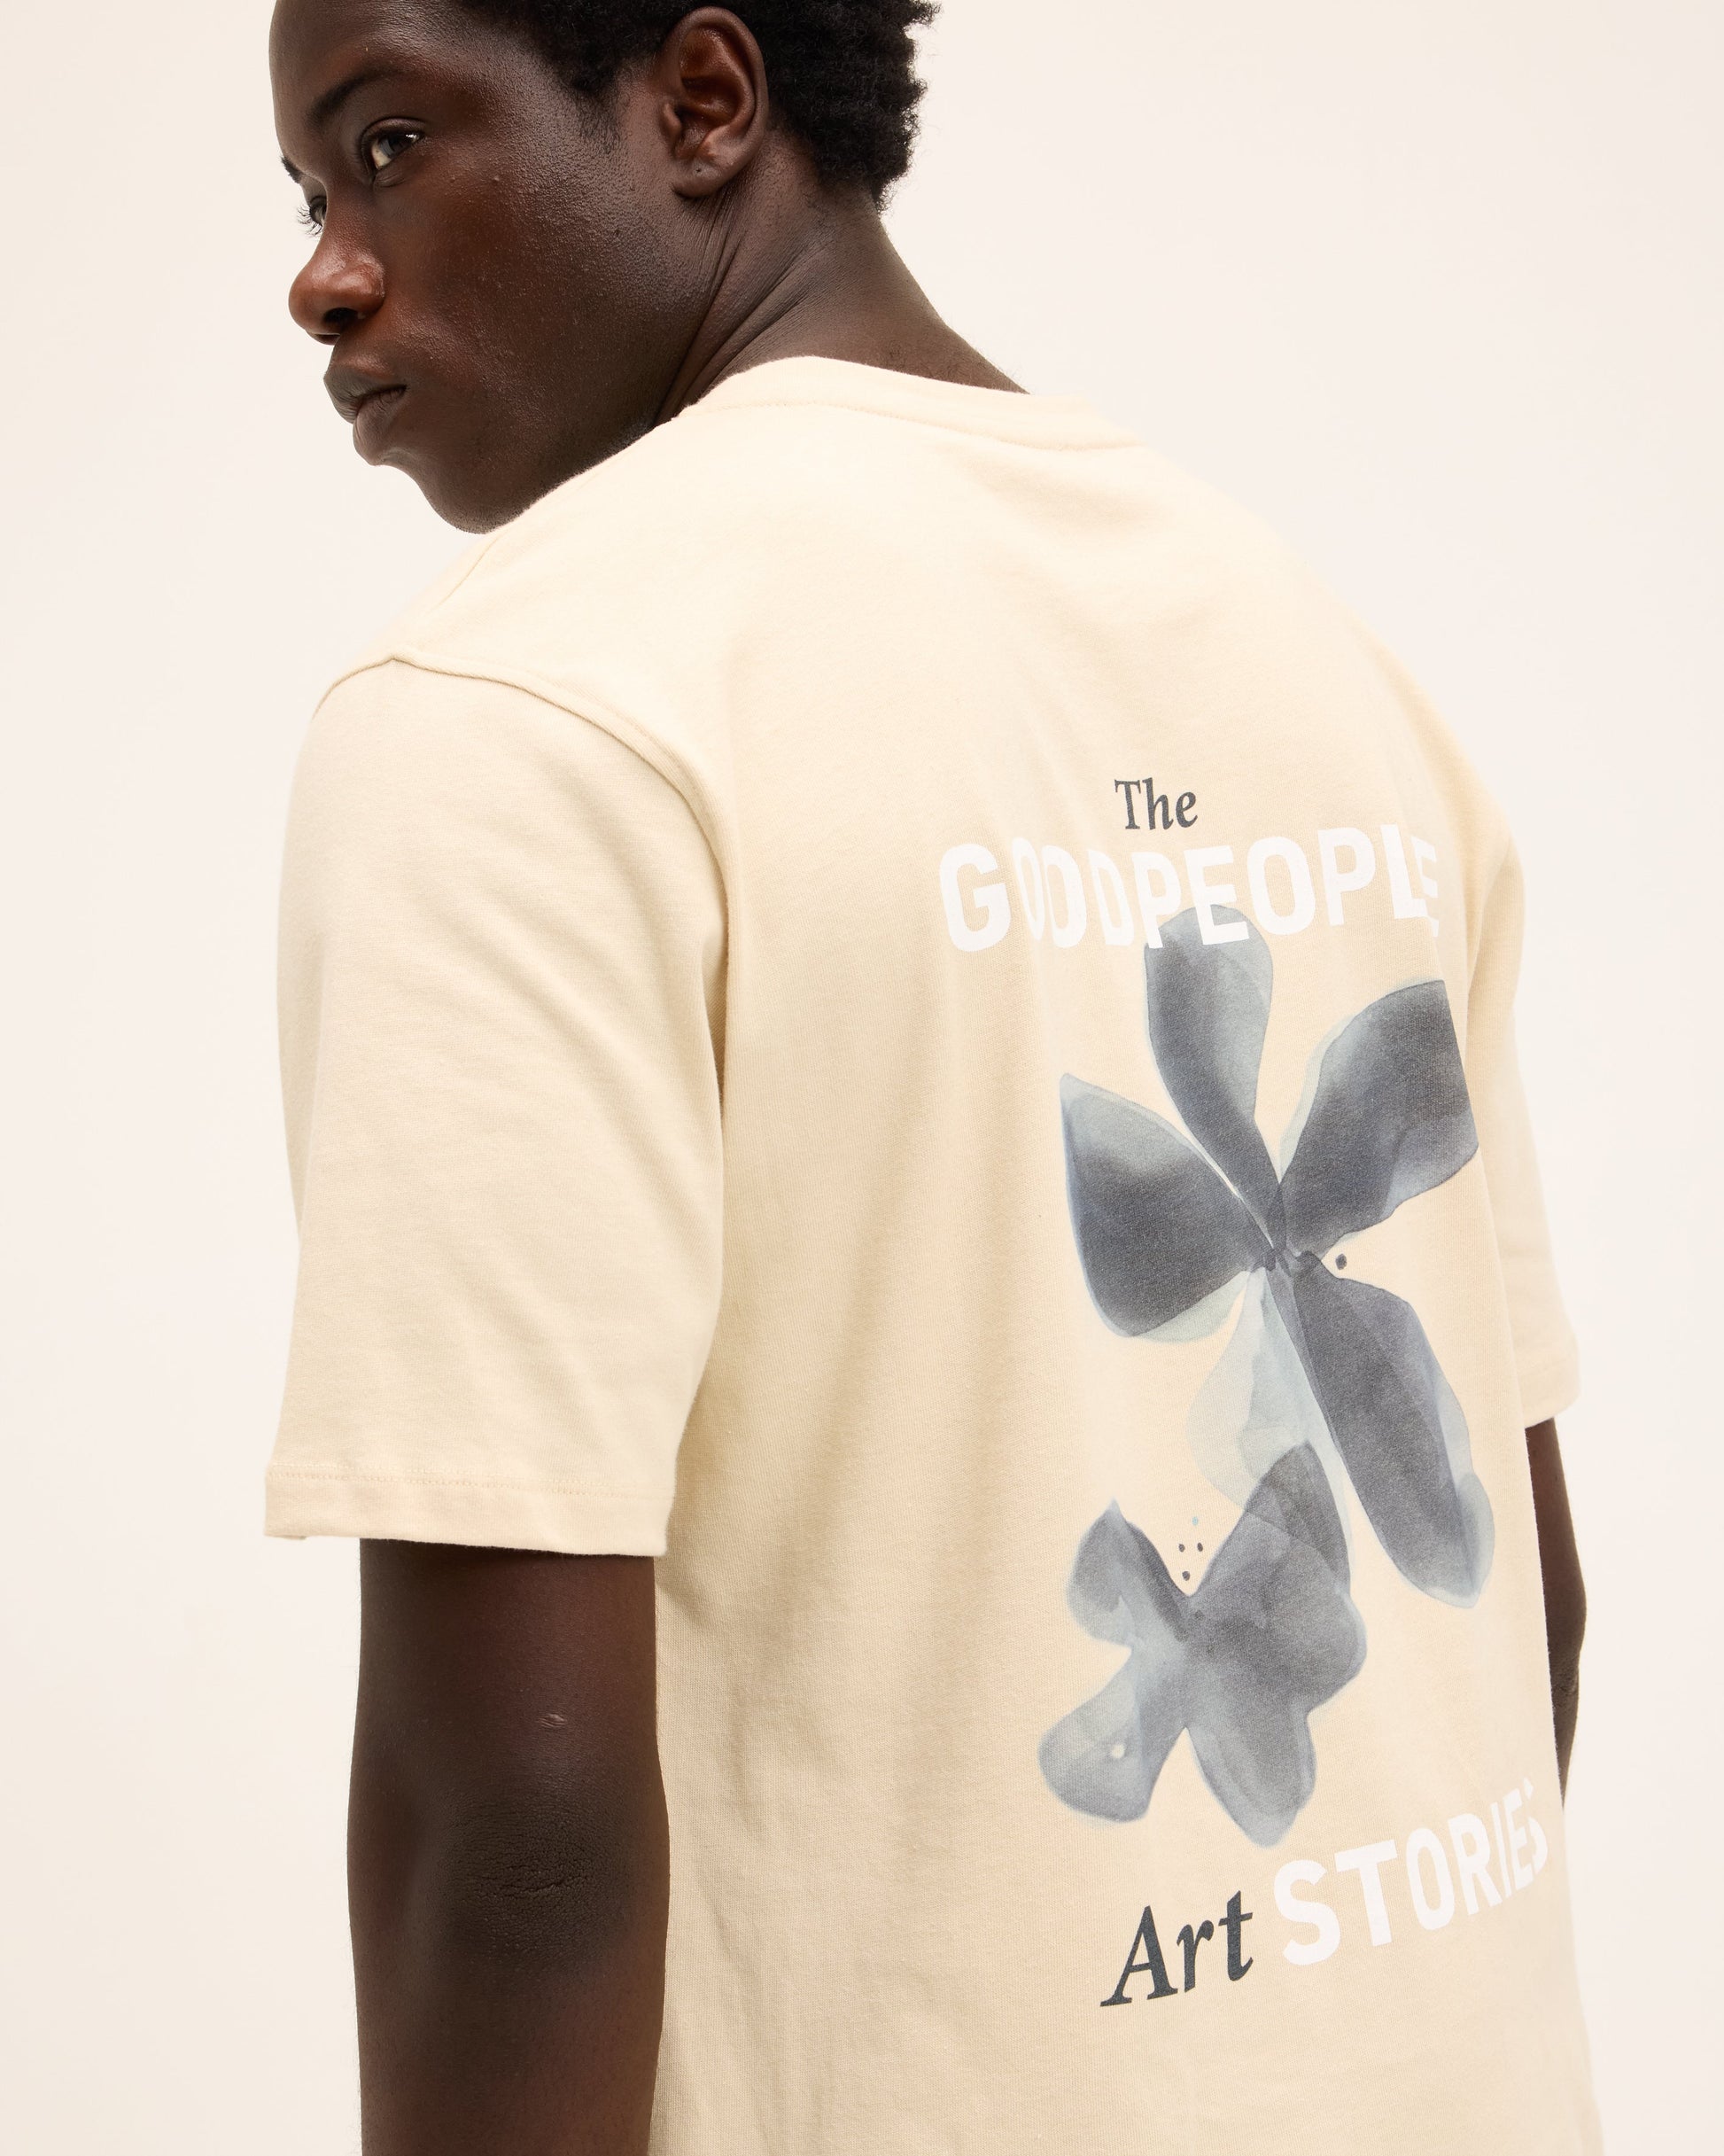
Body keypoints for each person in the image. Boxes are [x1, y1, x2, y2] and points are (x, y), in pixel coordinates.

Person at [265, 2, 1597, 2149]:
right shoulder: (1318, 656)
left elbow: (507, 1833)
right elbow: (1521, 1602)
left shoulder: (523, 713)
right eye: (312, 193)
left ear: (705, 102)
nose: (325, 271)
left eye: (391, 143)